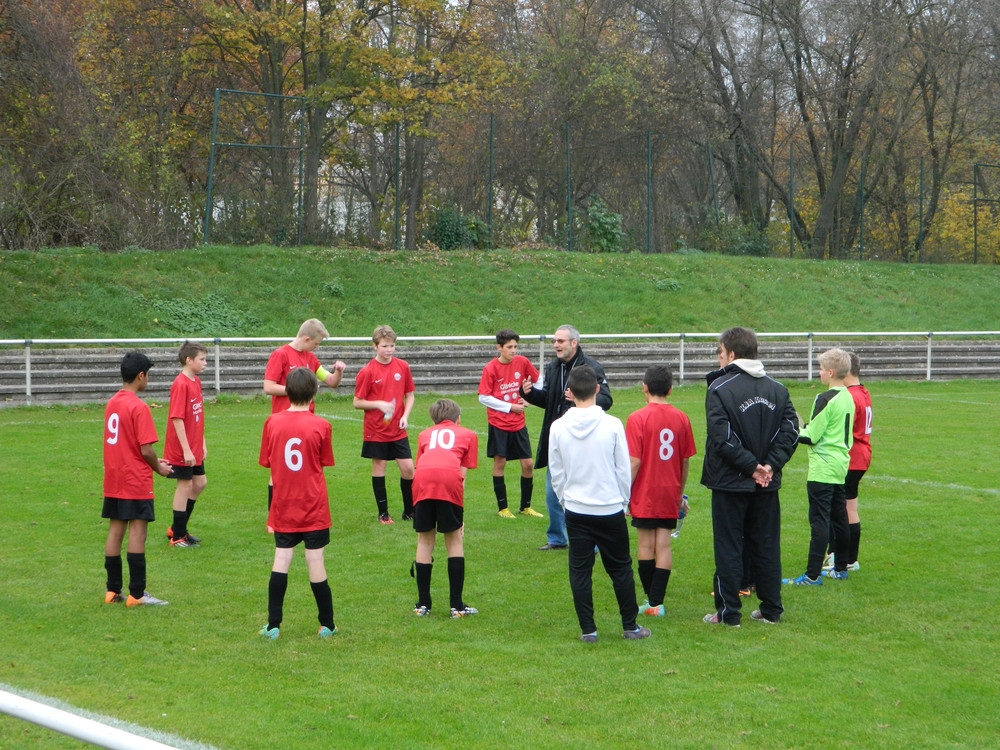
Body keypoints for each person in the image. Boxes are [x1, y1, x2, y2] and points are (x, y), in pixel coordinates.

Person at [702, 327, 799, 627]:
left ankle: (729, 613)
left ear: (731, 354)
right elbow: (791, 432)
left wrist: (758, 467)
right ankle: (771, 609)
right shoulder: (777, 389)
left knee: (729, 546)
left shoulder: (719, 388)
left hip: (731, 482)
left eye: (720, 352)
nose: (718, 358)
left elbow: (721, 438)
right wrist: (767, 466)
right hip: (765, 482)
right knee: (766, 545)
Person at [549, 366, 649, 642]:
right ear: (596, 389)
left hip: (577, 508)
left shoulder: (559, 427)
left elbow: (556, 471)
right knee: (620, 568)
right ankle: (630, 625)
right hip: (608, 507)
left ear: (570, 392)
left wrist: (565, 499)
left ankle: (588, 630)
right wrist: (622, 500)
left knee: (580, 570)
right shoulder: (612, 424)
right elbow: (622, 469)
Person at [257, 368, 338, 639]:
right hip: (314, 504)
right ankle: (327, 624)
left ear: (287, 392)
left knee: (281, 558)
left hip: (284, 504)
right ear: (315, 391)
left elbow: (269, 464)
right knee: (315, 560)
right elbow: (323, 462)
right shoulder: (321, 425)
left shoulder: (272, 423)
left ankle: (273, 625)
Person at [522, 325, 612, 550]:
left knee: (585, 490)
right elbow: (550, 400)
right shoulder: (553, 367)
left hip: (584, 439)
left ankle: (592, 542)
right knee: (552, 492)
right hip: (558, 438)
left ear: (574, 343)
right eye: (554, 341)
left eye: (560, 341)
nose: (555, 345)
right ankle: (557, 538)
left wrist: (580, 398)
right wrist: (529, 394)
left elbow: (606, 400)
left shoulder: (591, 368)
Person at [102, 351, 173, 607]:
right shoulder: (138, 407)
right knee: (138, 532)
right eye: (148, 375)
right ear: (141, 376)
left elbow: (126, 443)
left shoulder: (112, 403)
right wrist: (159, 468)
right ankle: (137, 594)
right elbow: (145, 450)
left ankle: (112, 590)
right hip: (134, 479)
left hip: (114, 477)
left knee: (115, 531)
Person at [625, 364, 696, 617]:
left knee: (645, 545)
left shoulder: (637, 418)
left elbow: (634, 462)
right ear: (671, 389)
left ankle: (652, 602)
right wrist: (679, 493)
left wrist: (625, 493)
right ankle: (657, 602)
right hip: (669, 490)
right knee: (663, 545)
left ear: (644, 388)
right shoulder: (682, 418)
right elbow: (685, 461)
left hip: (645, 490)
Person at [263, 319, 346, 518]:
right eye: (316, 343)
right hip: (283, 422)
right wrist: (299, 389)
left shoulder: (310, 358)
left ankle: (302, 512)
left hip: (306, 423)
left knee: (306, 469)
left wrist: (338, 372)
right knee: (278, 472)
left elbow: (331, 381)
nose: (317, 347)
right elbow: (268, 386)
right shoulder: (281, 355)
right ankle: (274, 517)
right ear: (307, 339)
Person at [784, 348, 854, 585]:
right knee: (839, 518)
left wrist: (794, 426)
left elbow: (812, 436)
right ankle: (840, 568)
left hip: (822, 468)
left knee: (819, 520)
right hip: (840, 465)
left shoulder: (824, 398)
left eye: (821, 369)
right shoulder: (848, 396)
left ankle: (812, 575)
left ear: (830, 372)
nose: (819, 373)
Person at [411, 399, 480, 618]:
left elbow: (421, 465)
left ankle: (422, 605)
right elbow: (461, 477)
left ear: (434, 419)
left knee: (424, 541)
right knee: (454, 540)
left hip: (422, 482)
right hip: (449, 481)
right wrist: (460, 516)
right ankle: (456, 606)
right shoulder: (468, 435)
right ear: (458, 418)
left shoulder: (424, 435)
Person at [353, 325, 416, 524]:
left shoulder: (402, 367)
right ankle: (383, 513)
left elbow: (410, 395)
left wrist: (405, 415)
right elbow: (357, 402)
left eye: (392, 346)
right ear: (375, 346)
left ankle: (410, 511)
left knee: (408, 469)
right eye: (384, 346)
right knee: (379, 468)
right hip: (376, 430)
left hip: (398, 429)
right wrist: (378, 404)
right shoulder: (367, 371)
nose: (389, 350)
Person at [478, 329, 543, 519]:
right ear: (499, 347)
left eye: (515, 346)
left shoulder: (522, 362)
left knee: (528, 464)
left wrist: (530, 399)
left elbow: (539, 380)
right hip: (499, 424)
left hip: (518, 423)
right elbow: (483, 397)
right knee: (500, 463)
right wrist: (509, 407)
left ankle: (525, 507)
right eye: (509, 347)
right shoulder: (490, 368)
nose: (513, 350)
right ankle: (503, 508)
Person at [825, 351, 872, 572]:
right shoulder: (863, 392)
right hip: (861, 455)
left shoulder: (850, 396)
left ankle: (844, 558)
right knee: (849, 507)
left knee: (842, 509)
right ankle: (846, 557)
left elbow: (841, 428)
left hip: (851, 457)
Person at [163, 340, 208, 548]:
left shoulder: (195, 381)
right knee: (185, 486)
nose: (205, 363)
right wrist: (187, 450)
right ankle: (178, 537)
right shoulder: (180, 384)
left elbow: (197, 416)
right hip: (182, 449)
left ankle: (177, 528)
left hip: (194, 446)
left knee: (200, 483)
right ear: (189, 360)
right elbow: (177, 418)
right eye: (202, 359)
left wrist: (202, 443)